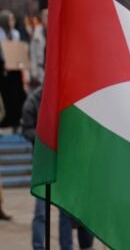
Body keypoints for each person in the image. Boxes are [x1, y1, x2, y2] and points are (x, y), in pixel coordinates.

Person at [21, 86, 95, 249]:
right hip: (44, 164)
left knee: (68, 211)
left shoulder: (68, 97)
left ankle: (69, 246)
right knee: (41, 213)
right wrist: (46, 139)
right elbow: (26, 129)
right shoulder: (34, 100)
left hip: (68, 164)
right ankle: (38, 246)